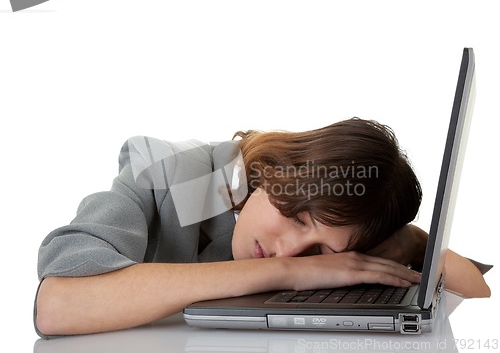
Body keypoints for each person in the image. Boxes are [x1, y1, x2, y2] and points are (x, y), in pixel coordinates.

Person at [34, 118, 491, 338]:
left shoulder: (336, 247)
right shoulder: (164, 172)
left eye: (320, 252)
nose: (289, 251)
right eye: (296, 218)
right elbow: (56, 305)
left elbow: (478, 296)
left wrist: (415, 242)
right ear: (275, 169)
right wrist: (288, 276)